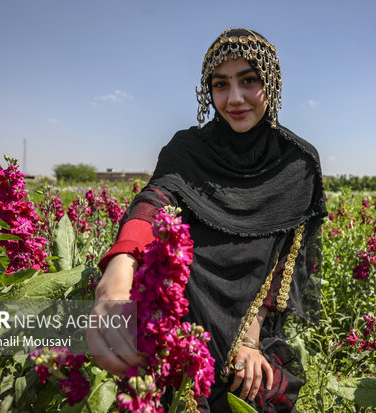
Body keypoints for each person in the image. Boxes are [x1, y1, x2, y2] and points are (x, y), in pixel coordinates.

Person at [88, 28, 327, 412]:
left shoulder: (296, 162)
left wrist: (250, 340)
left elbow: (288, 258)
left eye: (248, 80)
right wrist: (118, 271)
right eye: (221, 84)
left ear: (271, 82)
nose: (234, 98)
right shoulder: (187, 149)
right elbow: (153, 202)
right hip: (184, 320)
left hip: (252, 330)